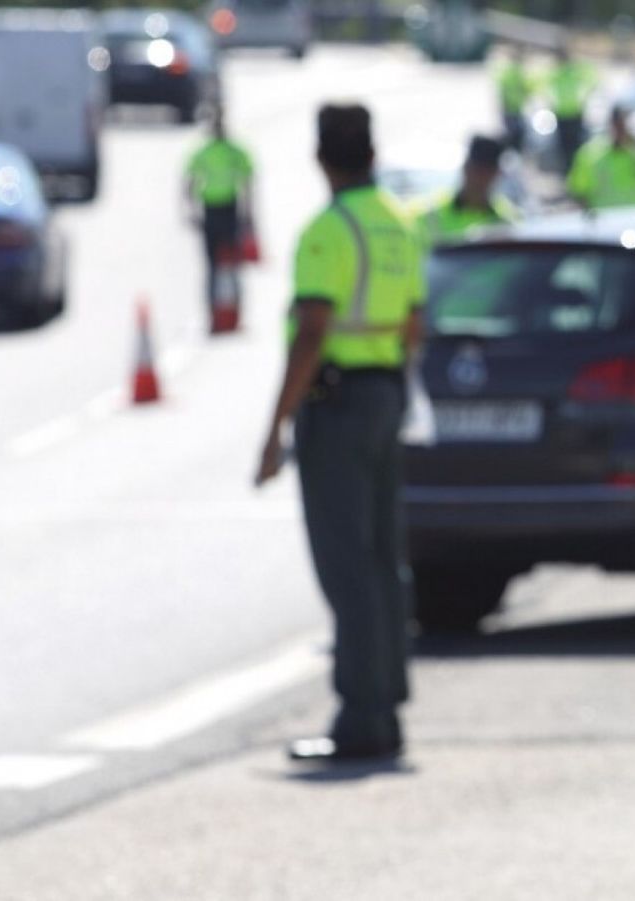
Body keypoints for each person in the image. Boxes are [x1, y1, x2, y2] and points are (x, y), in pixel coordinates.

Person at [255, 103, 426, 764]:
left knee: (345, 563)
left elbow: (312, 333)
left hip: (337, 402)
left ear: (321, 158)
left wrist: (275, 428)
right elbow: (415, 324)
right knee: (384, 558)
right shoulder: (400, 225)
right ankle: (385, 707)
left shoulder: (327, 232)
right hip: (385, 393)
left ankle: (359, 715)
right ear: (373, 154)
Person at [184, 111, 255, 303]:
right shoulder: (223, 152)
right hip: (214, 210)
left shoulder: (229, 152)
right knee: (217, 264)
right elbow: (190, 182)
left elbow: (247, 181)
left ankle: (232, 306)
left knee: (226, 263)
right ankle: (215, 307)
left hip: (228, 208)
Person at [416, 136, 516, 245]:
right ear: (465, 167)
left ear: (497, 174)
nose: (480, 178)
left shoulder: (509, 220)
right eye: (476, 170)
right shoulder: (429, 215)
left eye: (487, 171)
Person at [567, 106, 635, 210]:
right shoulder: (591, 154)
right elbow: (578, 190)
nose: (623, 131)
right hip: (606, 218)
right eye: (619, 126)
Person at [546, 44, 594, 172]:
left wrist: (583, 99)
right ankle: (569, 172)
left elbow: (591, 82)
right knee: (566, 148)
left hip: (574, 113)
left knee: (574, 148)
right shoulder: (558, 73)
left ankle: (574, 171)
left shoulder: (573, 72)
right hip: (563, 114)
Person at [495, 45, 534, 152]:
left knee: (517, 135)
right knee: (514, 136)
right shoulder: (513, 74)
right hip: (511, 110)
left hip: (516, 109)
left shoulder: (515, 73)